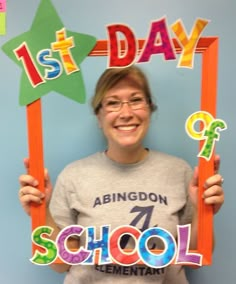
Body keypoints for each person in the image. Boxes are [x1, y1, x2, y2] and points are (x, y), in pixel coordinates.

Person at [19, 65, 224, 284]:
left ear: (150, 109)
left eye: (136, 100)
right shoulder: (73, 176)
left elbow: (196, 257)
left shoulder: (180, 171)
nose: (126, 113)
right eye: (113, 103)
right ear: (99, 117)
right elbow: (60, 264)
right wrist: (40, 212)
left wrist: (205, 211)